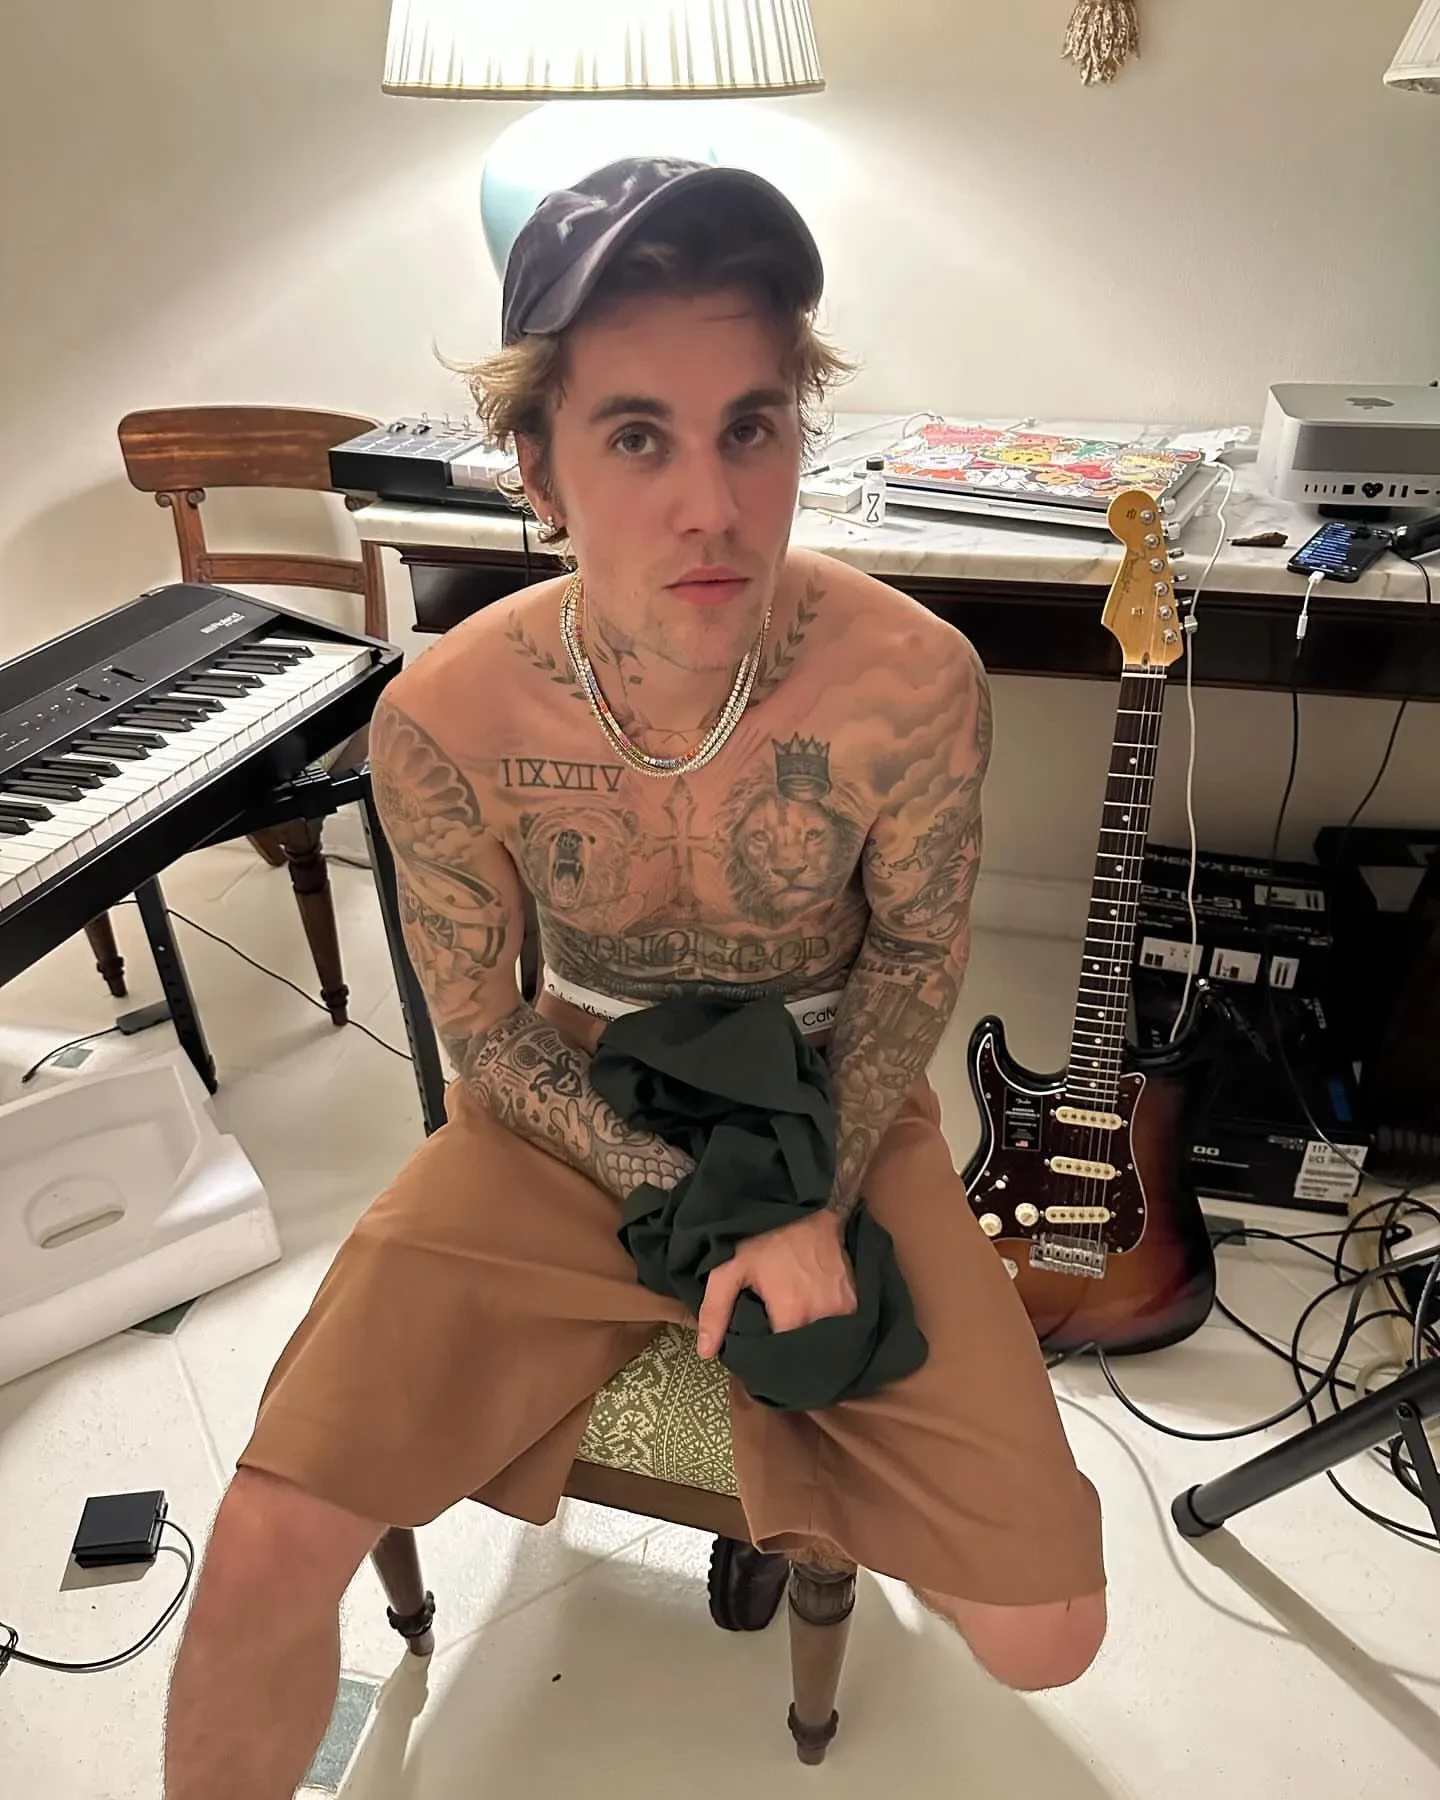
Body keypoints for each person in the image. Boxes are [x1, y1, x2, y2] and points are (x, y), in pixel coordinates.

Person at [163, 159, 1105, 1799]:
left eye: (752, 427)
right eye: (639, 437)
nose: (712, 505)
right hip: (566, 1096)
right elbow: (480, 1033)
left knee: (1049, 1636)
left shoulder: (910, 680)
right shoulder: (448, 714)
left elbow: (912, 956)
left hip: (829, 1091)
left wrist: (804, 1192)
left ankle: (837, 1479)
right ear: (538, 466)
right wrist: (712, 1208)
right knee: (257, 1550)